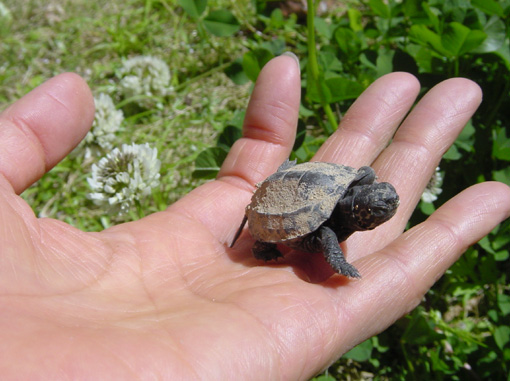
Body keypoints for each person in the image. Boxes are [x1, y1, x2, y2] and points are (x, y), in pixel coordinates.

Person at [0, 54, 508, 379]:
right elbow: (329, 235)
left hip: (312, 186)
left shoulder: (356, 192)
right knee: (302, 239)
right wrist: (338, 264)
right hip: (282, 206)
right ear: (360, 210)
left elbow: (356, 186)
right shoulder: (336, 224)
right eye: (378, 206)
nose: (383, 208)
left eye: (381, 205)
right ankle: (264, 245)